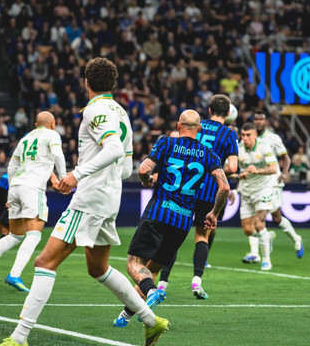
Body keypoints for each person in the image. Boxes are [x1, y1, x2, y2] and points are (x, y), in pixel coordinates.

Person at [0, 57, 169, 346]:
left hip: (89, 200)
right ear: (113, 83)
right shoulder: (121, 112)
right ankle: (151, 320)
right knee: (98, 268)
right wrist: (91, 175)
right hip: (110, 198)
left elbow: (112, 148)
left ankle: (18, 340)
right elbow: (125, 167)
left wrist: (76, 175)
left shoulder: (95, 109)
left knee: (44, 262)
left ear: (86, 82)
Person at [113, 110, 229, 327]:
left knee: (135, 264)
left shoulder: (166, 143)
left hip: (158, 214)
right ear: (199, 129)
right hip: (182, 222)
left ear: (178, 126)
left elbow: (143, 170)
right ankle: (125, 316)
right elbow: (224, 187)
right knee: (151, 270)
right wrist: (213, 213)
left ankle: (151, 292)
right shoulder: (208, 153)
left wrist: (147, 180)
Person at [156, 94, 239, 300]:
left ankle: (162, 284)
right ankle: (196, 282)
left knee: (173, 235)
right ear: (228, 113)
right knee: (202, 236)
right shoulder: (229, 134)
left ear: (209, 110)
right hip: (209, 192)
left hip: (186, 188)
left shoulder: (198, 126)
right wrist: (217, 171)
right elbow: (233, 167)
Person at [0, 111, 67, 292]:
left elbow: (11, 166)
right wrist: (63, 178)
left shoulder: (25, 139)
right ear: (53, 124)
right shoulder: (52, 134)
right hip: (33, 187)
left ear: (35, 124)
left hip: (16, 186)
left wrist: (10, 194)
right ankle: (14, 274)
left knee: (15, 235)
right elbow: (58, 155)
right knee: (34, 234)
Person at [249, 111, 303, 260]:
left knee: (276, 218)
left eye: (261, 119)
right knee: (255, 216)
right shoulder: (249, 138)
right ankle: (255, 253)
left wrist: (284, 173)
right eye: (256, 119)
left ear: (266, 122)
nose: (259, 122)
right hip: (256, 182)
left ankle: (296, 238)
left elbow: (286, 158)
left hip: (273, 182)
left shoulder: (273, 138)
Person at [237, 122, 278, 270]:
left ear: (255, 134)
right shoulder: (238, 148)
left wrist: (257, 171)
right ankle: (267, 236)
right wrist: (239, 175)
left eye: (248, 135)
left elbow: (273, 169)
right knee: (248, 230)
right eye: (243, 135)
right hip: (246, 191)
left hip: (263, 190)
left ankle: (266, 260)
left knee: (259, 223)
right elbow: (230, 168)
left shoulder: (264, 147)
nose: (245, 138)